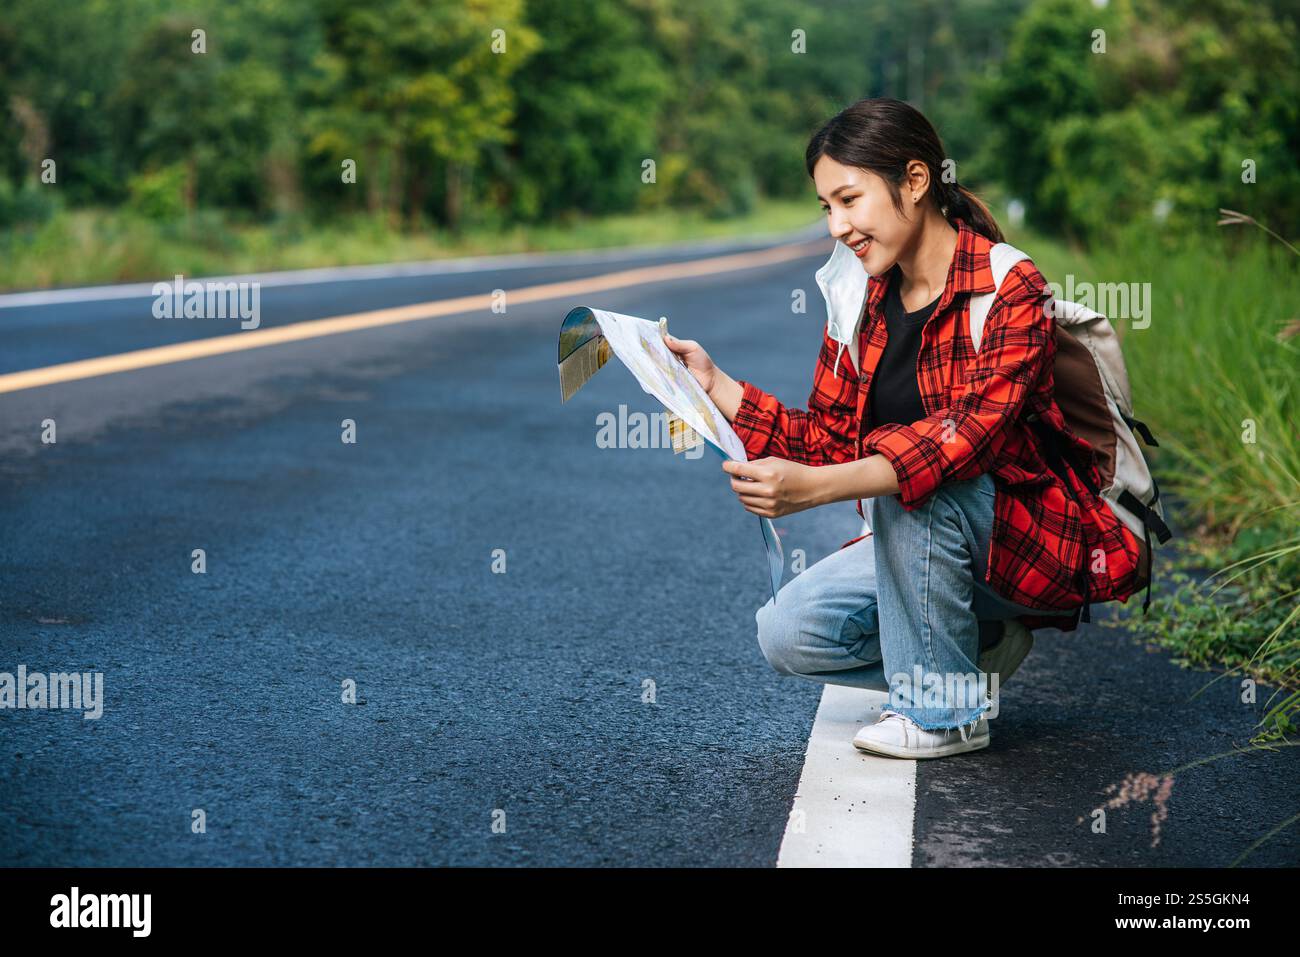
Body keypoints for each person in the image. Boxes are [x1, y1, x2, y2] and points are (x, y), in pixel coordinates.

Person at [663, 97, 1145, 760]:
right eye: (825, 207)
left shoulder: (1010, 288)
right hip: (926, 538)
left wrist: (813, 490)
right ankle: (972, 651)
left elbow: (959, 439)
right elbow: (829, 440)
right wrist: (717, 385)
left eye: (849, 200)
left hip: (1033, 537)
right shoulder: (858, 295)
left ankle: (945, 712)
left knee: (917, 478)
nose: (836, 226)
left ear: (915, 182)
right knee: (788, 634)